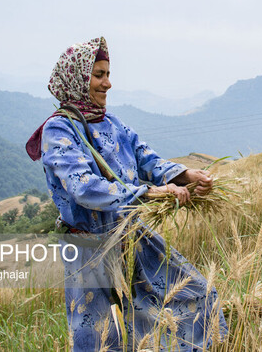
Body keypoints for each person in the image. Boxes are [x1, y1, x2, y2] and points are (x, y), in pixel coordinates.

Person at [26, 36, 227, 351]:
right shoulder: (59, 131)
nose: (107, 83)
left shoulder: (113, 124)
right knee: (101, 339)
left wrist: (185, 176)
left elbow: (146, 158)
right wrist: (149, 193)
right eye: (98, 75)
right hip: (88, 247)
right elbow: (83, 187)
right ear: (77, 80)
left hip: (130, 235)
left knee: (196, 293)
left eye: (108, 74)